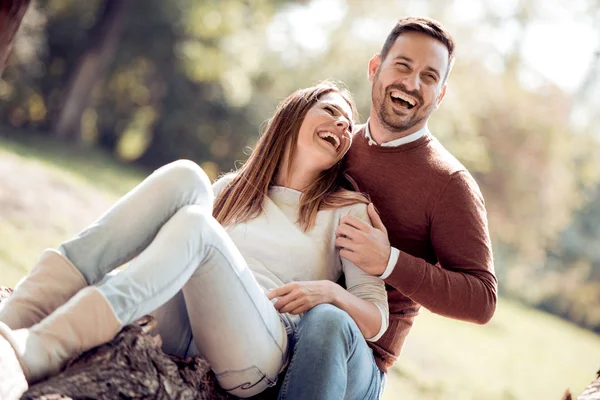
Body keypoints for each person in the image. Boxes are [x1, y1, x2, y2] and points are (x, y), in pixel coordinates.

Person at [0, 82, 389, 399]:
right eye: (332, 112)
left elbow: (376, 321)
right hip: (178, 328)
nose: (342, 127)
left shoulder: (348, 211)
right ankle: (21, 313)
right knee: (187, 177)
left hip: (257, 352)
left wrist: (330, 292)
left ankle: (45, 347)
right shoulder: (232, 191)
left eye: (348, 125)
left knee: (198, 228)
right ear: (294, 114)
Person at [278, 17, 497, 400]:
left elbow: (482, 300)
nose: (412, 84)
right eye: (403, 66)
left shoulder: (449, 183)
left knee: (328, 320)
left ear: (440, 95)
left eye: (429, 77)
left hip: (357, 358)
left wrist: (389, 261)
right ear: (374, 68)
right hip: (280, 319)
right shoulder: (335, 142)